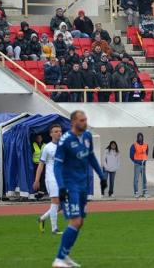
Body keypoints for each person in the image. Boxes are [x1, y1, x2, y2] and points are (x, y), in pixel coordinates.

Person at [52, 110, 106, 268]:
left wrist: (101, 176)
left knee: (80, 221)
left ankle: (65, 255)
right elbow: (57, 165)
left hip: (83, 185)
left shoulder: (88, 136)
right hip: (70, 186)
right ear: (73, 122)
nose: (85, 122)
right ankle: (59, 259)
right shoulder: (65, 140)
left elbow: (91, 157)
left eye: (85, 119)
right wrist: (61, 187)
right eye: (82, 120)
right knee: (75, 220)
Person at [33, 124, 63, 235]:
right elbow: (41, 164)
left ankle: (42, 219)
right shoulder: (47, 147)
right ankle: (54, 229)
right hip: (51, 178)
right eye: (56, 131)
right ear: (51, 134)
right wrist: (36, 180)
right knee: (55, 202)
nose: (58, 133)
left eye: (60, 131)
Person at [129, 133, 148, 198]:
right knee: (136, 179)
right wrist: (136, 161)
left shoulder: (146, 145)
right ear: (137, 137)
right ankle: (136, 192)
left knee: (144, 179)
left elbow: (146, 154)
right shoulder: (134, 145)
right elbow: (131, 155)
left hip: (144, 164)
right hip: (137, 164)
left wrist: (144, 161)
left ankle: (145, 192)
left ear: (143, 137)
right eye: (139, 137)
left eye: (141, 137)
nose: (140, 138)